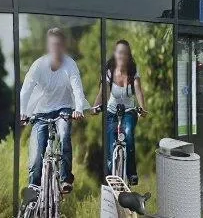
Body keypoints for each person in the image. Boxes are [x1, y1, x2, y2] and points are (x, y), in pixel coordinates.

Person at [20, 27, 90, 194]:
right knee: (37, 152)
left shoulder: (70, 65)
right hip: (41, 112)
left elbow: (77, 89)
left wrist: (78, 109)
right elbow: (26, 90)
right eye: (52, 45)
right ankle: (34, 186)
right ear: (48, 46)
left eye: (58, 45)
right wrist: (23, 112)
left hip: (63, 110)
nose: (55, 49)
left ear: (63, 46)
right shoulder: (39, 65)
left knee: (64, 135)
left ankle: (65, 179)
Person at [93, 39, 147, 185]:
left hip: (129, 111)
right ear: (115, 54)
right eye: (119, 52)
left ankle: (131, 174)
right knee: (111, 146)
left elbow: (139, 92)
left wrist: (142, 109)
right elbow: (103, 93)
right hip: (111, 112)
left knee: (128, 135)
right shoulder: (109, 72)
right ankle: (112, 180)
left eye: (125, 53)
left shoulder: (133, 71)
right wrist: (95, 107)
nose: (121, 56)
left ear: (128, 56)